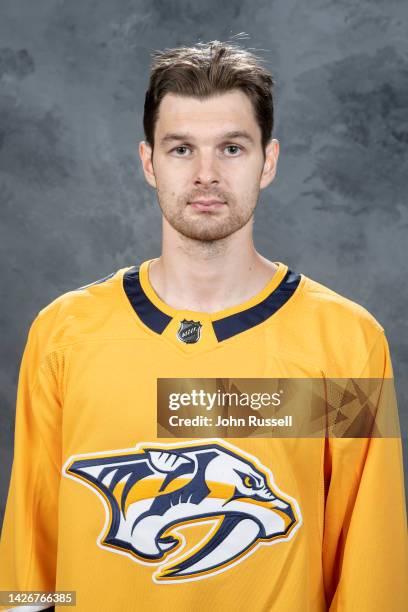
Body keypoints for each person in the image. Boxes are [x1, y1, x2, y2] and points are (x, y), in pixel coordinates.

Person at [0, 38, 407, 612]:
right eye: (182, 148)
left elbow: (368, 565)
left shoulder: (344, 343)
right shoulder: (65, 336)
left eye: (233, 148)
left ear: (268, 162)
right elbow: (29, 556)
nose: (206, 174)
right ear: (149, 162)